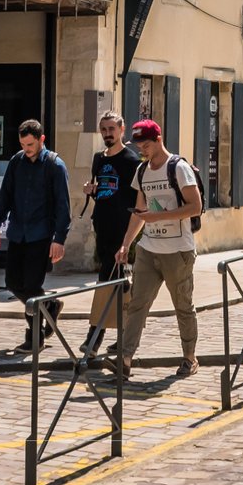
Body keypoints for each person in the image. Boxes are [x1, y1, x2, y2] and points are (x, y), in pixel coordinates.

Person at [113, 119, 202, 379]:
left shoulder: (178, 168)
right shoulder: (142, 171)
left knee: (183, 306)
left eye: (146, 145)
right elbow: (139, 212)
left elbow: (195, 207)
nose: (142, 150)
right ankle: (125, 359)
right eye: (139, 146)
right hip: (148, 249)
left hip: (178, 251)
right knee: (137, 305)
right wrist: (126, 244)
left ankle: (189, 358)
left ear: (159, 139)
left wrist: (159, 216)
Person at [0, 119, 72, 352]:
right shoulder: (17, 162)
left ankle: (35, 338)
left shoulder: (55, 166)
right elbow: (5, 195)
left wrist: (59, 239)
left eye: (30, 145)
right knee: (13, 283)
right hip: (18, 233)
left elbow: (63, 206)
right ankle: (50, 306)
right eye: (23, 145)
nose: (27, 149)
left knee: (32, 286)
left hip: (41, 235)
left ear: (41, 139)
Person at [80, 110, 140, 352]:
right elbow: (104, 192)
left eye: (111, 129)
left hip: (121, 229)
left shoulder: (131, 161)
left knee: (105, 281)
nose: (107, 134)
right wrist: (91, 190)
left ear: (122, 130)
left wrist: (129, 239)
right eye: (104, 129)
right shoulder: (98, 158)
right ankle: (126, 336)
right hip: (101, 227)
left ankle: (94, 338)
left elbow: (136, 200)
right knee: (117, 285)